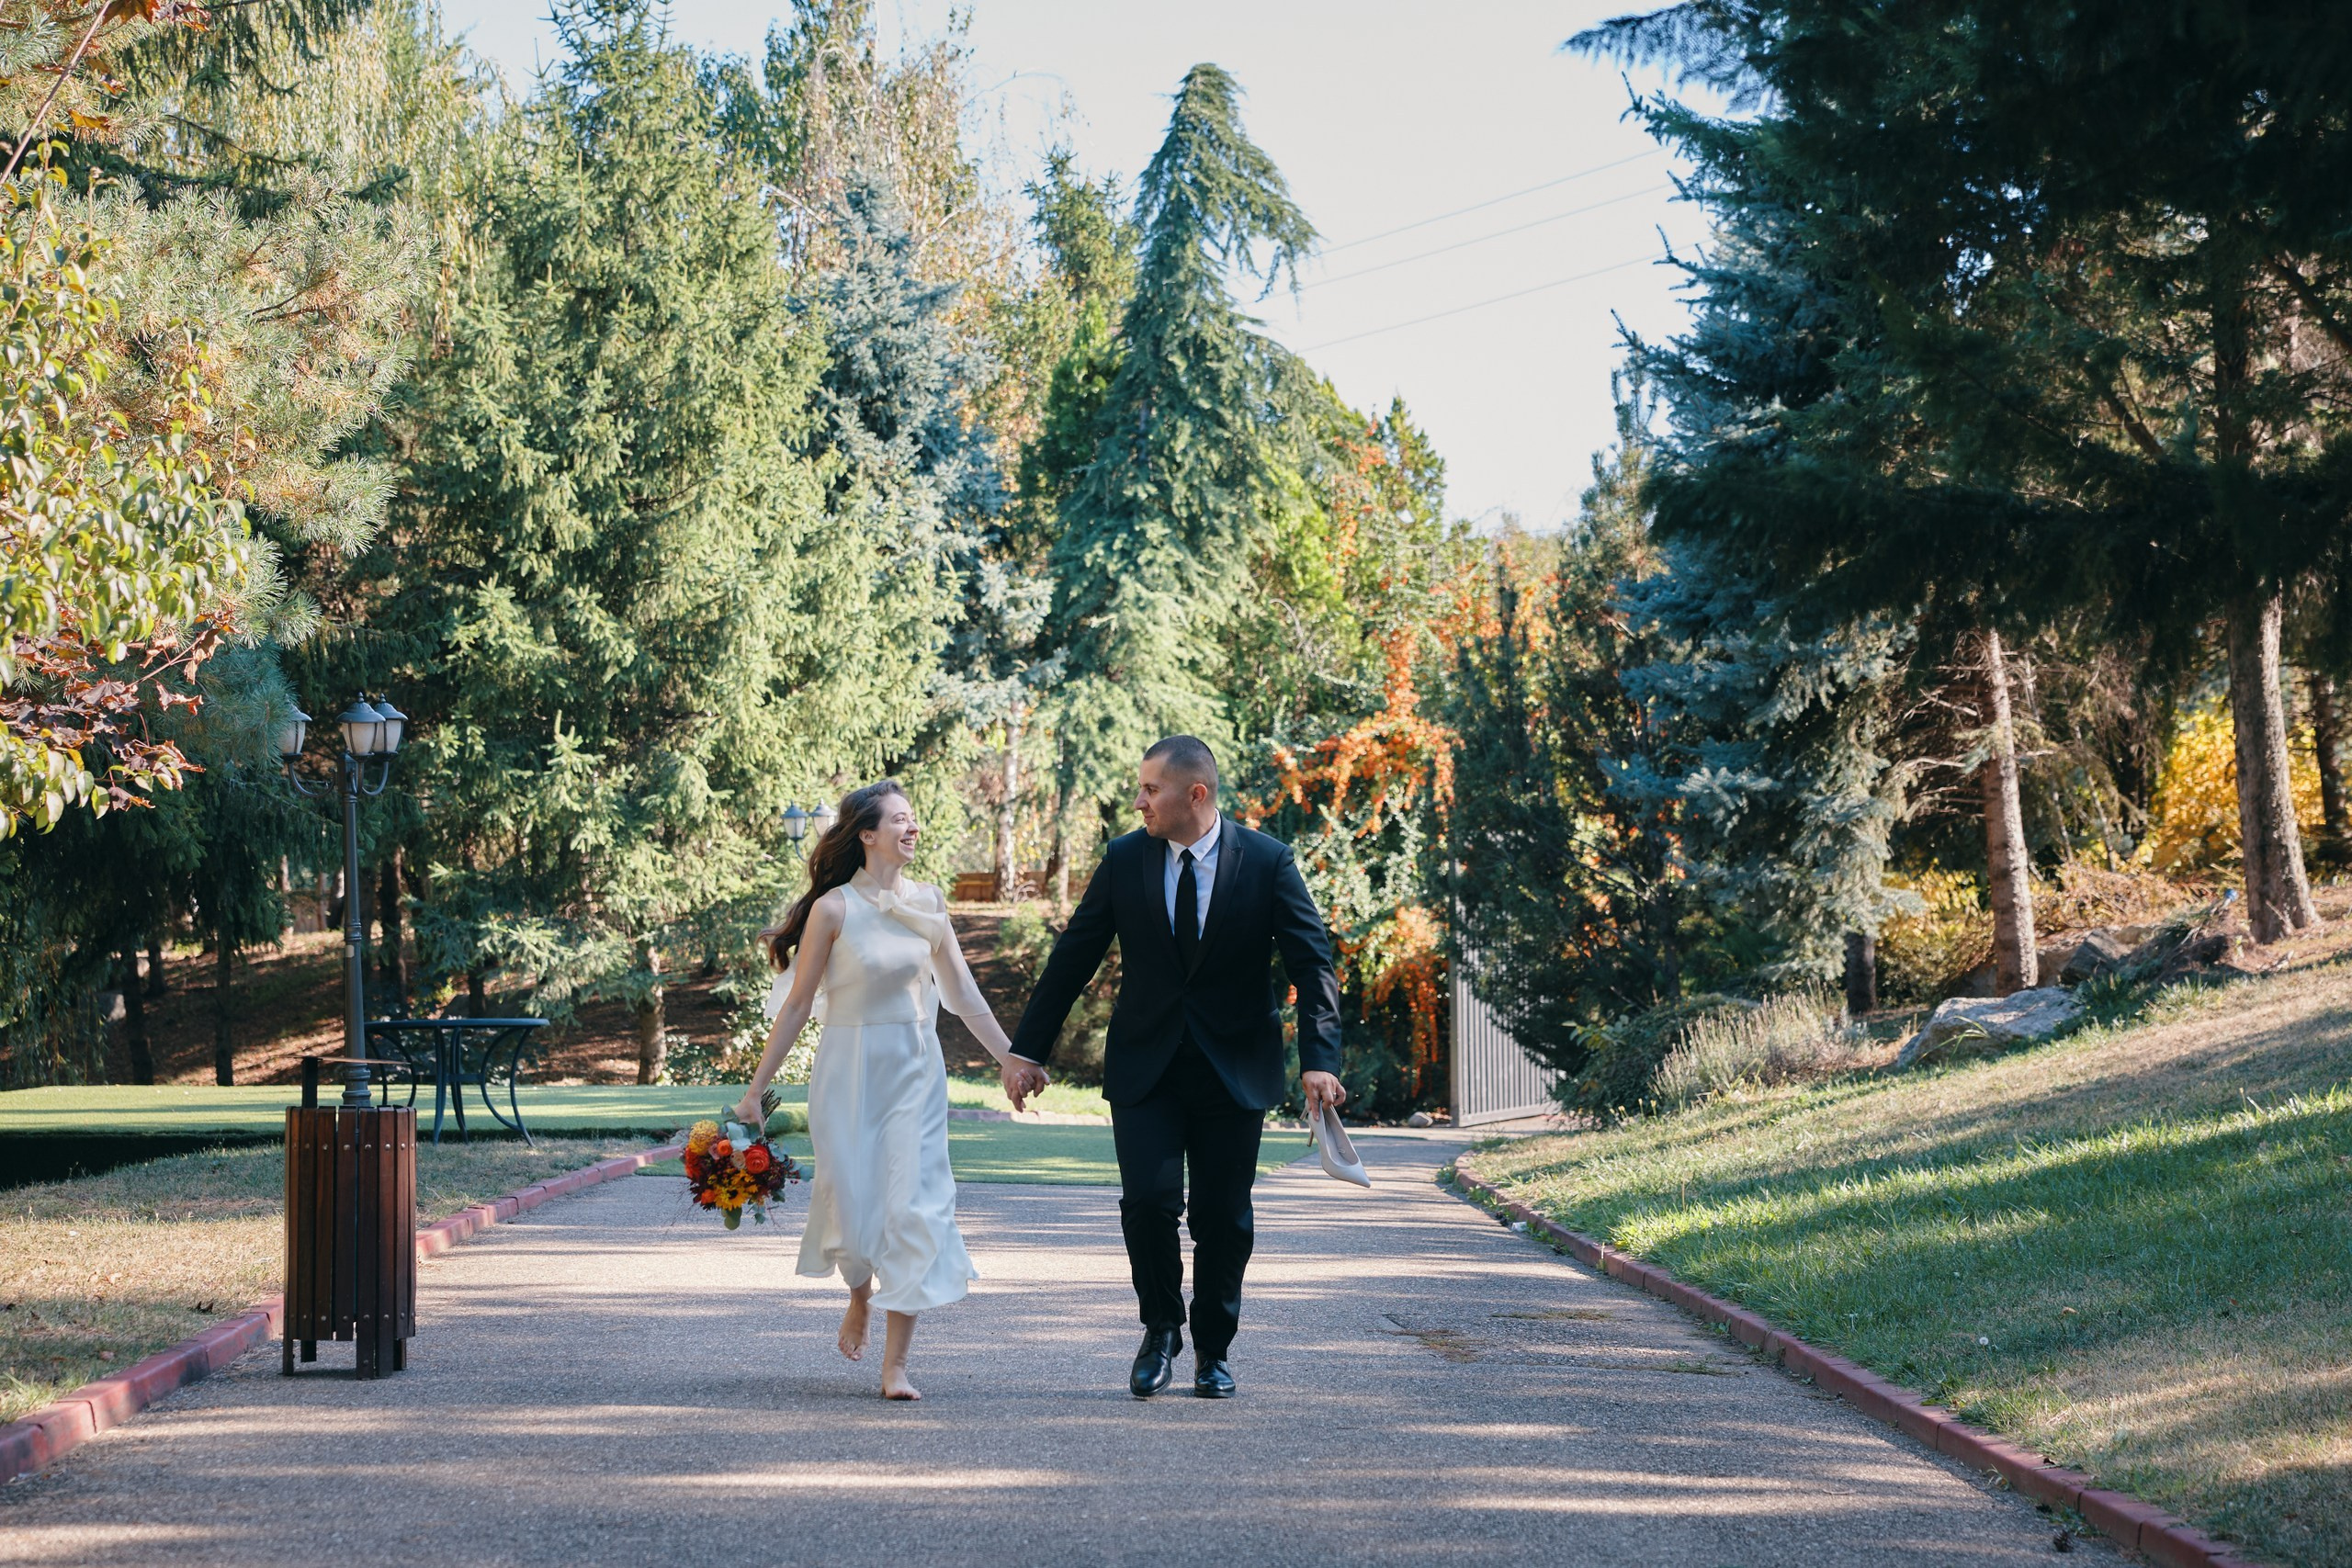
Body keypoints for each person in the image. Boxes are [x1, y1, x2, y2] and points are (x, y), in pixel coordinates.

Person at [1005, 735, 1344, 1399]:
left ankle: (1214, 1351)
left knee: (1223, 1216)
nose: (1139, 801)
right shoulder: (1127, 858)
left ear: (1197, 794)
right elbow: (1075, 953)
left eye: (1150, 789)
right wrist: (1028, 1050)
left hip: (1236, 1069)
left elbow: (1313, 963)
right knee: (1149, 1205)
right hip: (1146, 1068)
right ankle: (1160, 1330)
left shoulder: (1268, 861)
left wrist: (1319, 1060)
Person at [733, 780, 1026, 1401]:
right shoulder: (834, 909)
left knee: (913, 1209)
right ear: (867, 834)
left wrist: (1011, 1059)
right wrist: (756, 1090)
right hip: (848, 1071)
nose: (911, 827)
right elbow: (797, 1006)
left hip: (915, 1073)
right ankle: (859, 1295)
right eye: (899, 819)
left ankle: (896, 1366)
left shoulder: (929, 903)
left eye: (914, 818)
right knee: (852, 1204)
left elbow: (964, 996)